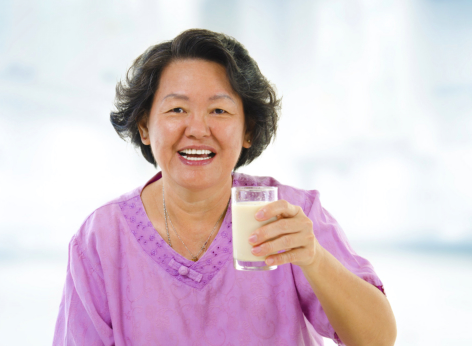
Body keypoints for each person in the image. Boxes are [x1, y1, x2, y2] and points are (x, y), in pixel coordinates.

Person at [53, 29, 396, 346]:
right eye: (177, 109)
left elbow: (378, 339)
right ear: (144, 127)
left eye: (219, 110)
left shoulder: (289, 215)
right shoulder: (101, 238)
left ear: (248, 130)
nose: (198, 129)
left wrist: (314, 258)